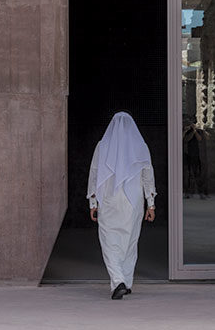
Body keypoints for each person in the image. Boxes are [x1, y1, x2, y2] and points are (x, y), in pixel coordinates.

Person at [87, 111, 157, 300]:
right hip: (133, 203)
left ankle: (119, 281)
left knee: (109, 242)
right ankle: (125, 281)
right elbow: (147, 177)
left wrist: (92, 202)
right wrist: (151, 204)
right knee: (130, 242)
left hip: (108, 202)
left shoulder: (102, 146)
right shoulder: (140, 146)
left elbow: (94, 175)